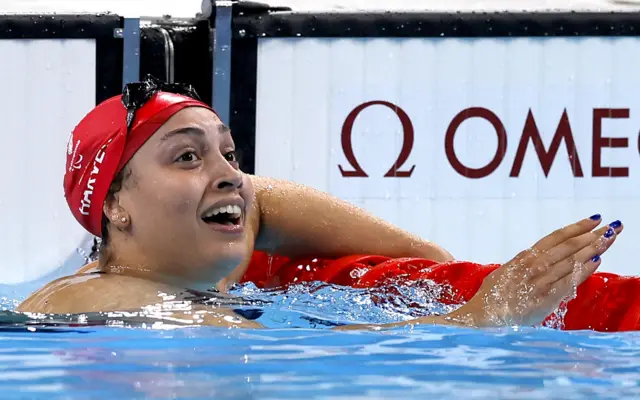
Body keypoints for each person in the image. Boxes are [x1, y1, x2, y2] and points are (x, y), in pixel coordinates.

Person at [17, 76, 623, 330]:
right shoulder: (99, 298)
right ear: (114, 206)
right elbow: (267, 352)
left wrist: (425, 262)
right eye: (187, 157)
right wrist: (476, 316)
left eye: (229, 153)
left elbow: (259, 201)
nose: (230, 175)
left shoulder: (196, 250)